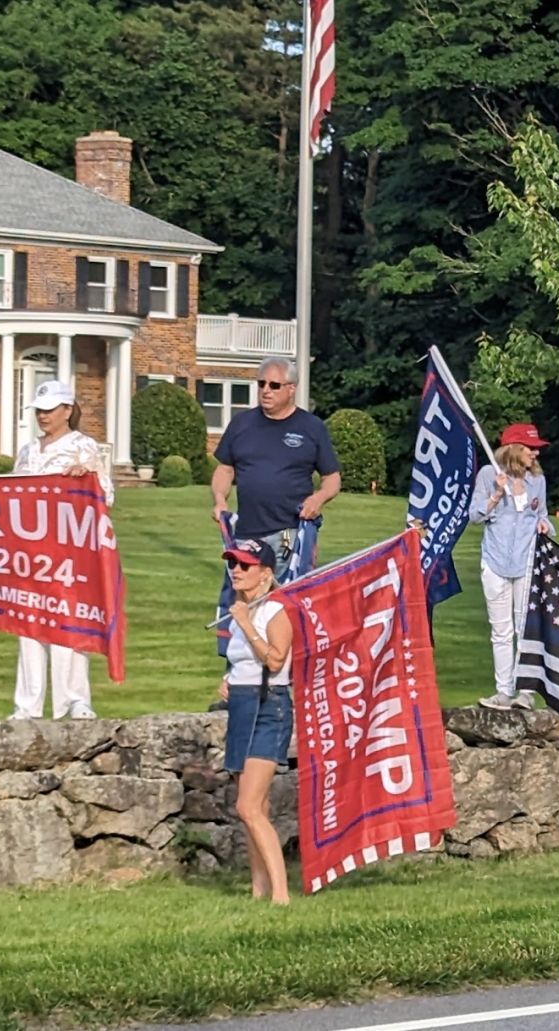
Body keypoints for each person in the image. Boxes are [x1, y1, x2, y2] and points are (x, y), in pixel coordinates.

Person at [209, 357, 340, 644]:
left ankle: (282, 681)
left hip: (288, 537)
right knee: (243, 612)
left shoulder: (311, 427)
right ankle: (239, 677)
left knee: (285, 611)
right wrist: (220, 498)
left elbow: (332, 479)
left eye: (274, 385)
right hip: (245, 538)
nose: (266, 390)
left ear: (291, 388)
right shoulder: (242, 424)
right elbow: (224, 468)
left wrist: (317, 498)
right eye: (261, 384)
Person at [10, 380, 115, 720]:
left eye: (49, 410)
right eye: (39, 410)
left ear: (67, 410)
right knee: (29, 624)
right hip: (29, 550)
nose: (43, 416)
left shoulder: (83, 446)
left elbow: (105, 496)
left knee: (68, 619)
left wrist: (87, 476)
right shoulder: (27, 451)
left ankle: (74, 698)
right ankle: (27, 704)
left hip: (68, 551)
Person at [218, 537, 293, 905]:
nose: (236, 570)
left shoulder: (273, 610)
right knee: (254, 808)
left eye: (244, 565)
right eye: (233, 563)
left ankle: (281, 895)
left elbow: (276, 661)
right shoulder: (240, 609)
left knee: (248, 806)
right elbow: (242, 661)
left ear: (265, 573)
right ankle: (258, 888)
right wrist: (229, 678)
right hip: (244, 704)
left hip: (269, 707)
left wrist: (247, 624)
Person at [468, 422, 555, 711]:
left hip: (526, 561)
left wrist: (545, 524)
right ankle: (503, 691)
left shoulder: (537, 481)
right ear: (515, 449)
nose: (535, 454)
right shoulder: (489, 475)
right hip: (494, 561)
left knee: (525, 628)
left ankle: (526, 692)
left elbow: (541, 514)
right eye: (531, 449)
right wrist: (495, 495)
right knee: (501, 630)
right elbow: (475, 516)